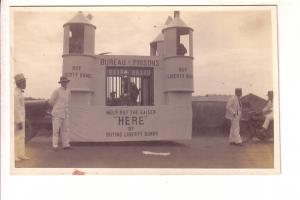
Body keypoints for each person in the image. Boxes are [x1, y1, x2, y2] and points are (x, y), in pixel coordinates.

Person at [48, 76, 71, 151]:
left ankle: (66, 145)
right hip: (57, 113)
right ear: (61, 83)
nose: (65, 83)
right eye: (63, 82)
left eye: (66, 82)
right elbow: (51, 101)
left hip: (65, 113)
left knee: (65, 129)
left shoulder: (68, 91)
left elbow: (68, 102)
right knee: (56, 130)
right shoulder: (57, 91)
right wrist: (56, 107)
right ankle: (54, 146)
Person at [14, 73, 30, 161]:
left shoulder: (19, 92)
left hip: (21, 118)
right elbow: (15, 108)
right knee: (16, 137)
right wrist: (18, 121)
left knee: (21, 136)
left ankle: (21, 154)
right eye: (24, 82)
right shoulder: (16, 93)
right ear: (19, 83)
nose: (25, 84)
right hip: (18, 119)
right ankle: (14, 155)